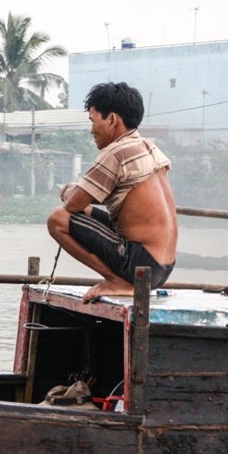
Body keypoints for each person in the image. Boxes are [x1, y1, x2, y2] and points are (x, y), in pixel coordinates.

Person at [47, 82, 178, 303]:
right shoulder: (148, 147)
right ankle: (122, 280)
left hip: (139, 264)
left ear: (112, 120)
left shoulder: (117, 151)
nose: (91, 129)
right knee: (87, 211)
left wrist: (69, 190)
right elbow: (83, 206)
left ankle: (117, 281)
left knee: (57, 219)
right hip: (163, 266)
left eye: (93, 120)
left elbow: (71, 206)